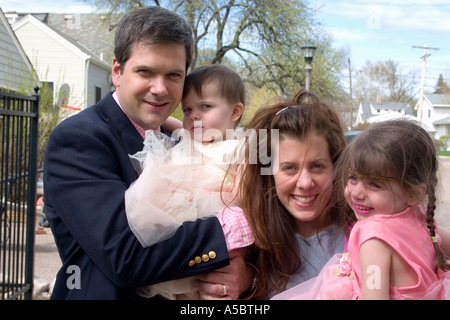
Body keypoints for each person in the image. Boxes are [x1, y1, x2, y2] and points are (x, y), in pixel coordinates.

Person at [43, 7, 253, 300]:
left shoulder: (184, 139)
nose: (160, 88)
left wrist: (245, 275)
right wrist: (239, 225)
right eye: (146, 72)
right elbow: (126, 256)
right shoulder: (80, 139)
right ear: (117, 71)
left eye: (173, 75)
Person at [273, 120, 450, 300]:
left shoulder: (374, 239)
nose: (356, 193)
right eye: (353, 178)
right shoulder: (419, 216)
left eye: (374, 184)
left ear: (413, 192)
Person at [124, 64, 254, 299]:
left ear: (235, 112)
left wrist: (195, 190)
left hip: (214, 232)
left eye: (205, 106)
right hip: (174, 240)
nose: (193, 115)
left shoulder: (240, 148)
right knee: (179, 288)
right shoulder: (188, 138)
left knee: (209, 286)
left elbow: (241, 195)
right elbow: (167, 123)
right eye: (187, 109)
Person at [232, 89, 348, 299]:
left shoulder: (360, 236)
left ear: (335, 167)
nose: (305, 183)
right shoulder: (249, 240)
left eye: (317, 166)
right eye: (289, 168)